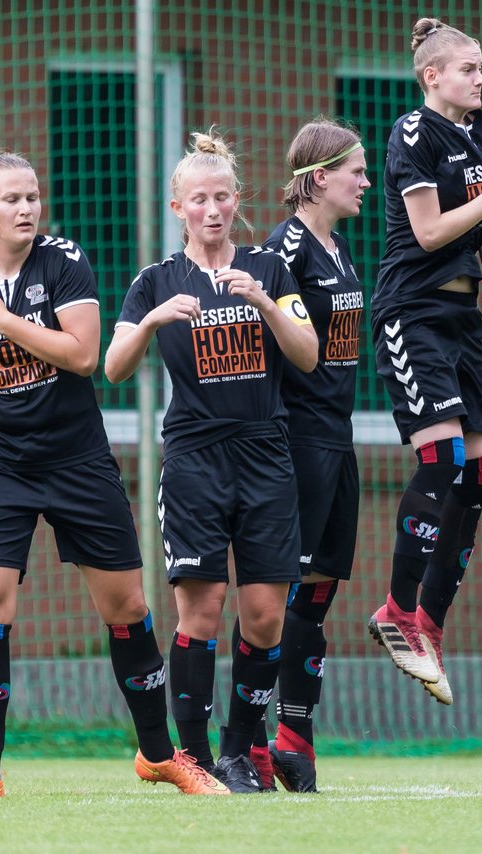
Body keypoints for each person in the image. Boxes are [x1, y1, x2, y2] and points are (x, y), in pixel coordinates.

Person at [0, 149, 228, 798]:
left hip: (77, 459)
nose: (27, 207)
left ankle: (157, 755)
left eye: (32, 196)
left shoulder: (63, 260)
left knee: (128, 607)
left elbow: (84, 355)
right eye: (11, 199)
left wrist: (1, 323)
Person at [104, 131, 319, 794]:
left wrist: (261, 303)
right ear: (178, 207)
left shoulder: (271, 271)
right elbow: (112, 370)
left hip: (264, 455)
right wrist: (150, 322)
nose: (213, 208)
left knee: (263, 615)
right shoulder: (156, 282)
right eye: (199, 199)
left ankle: (236, 752)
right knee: (201, 610)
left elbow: (308, 352)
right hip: (195, 459)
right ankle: (191, 756)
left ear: (237, 201)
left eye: (223, 196)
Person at [366, 17, 482, 704]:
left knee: (481, 471)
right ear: (433, 75)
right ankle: (395, 609)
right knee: (442, 460)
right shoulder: (414, 132)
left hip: (465, 318)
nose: (481, 78)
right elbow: (432, 230)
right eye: (469, 69)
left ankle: (429, 624)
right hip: (413, 311)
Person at [249, 119, 371, 792]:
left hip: (337, 434)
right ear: (319, 177)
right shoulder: (283, 248)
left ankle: (296, 734)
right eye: (355, 170)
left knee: (318, 593)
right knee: (285, 597)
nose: (366, 181)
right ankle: (259, 740)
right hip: (298, 440)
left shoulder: (338, 247)